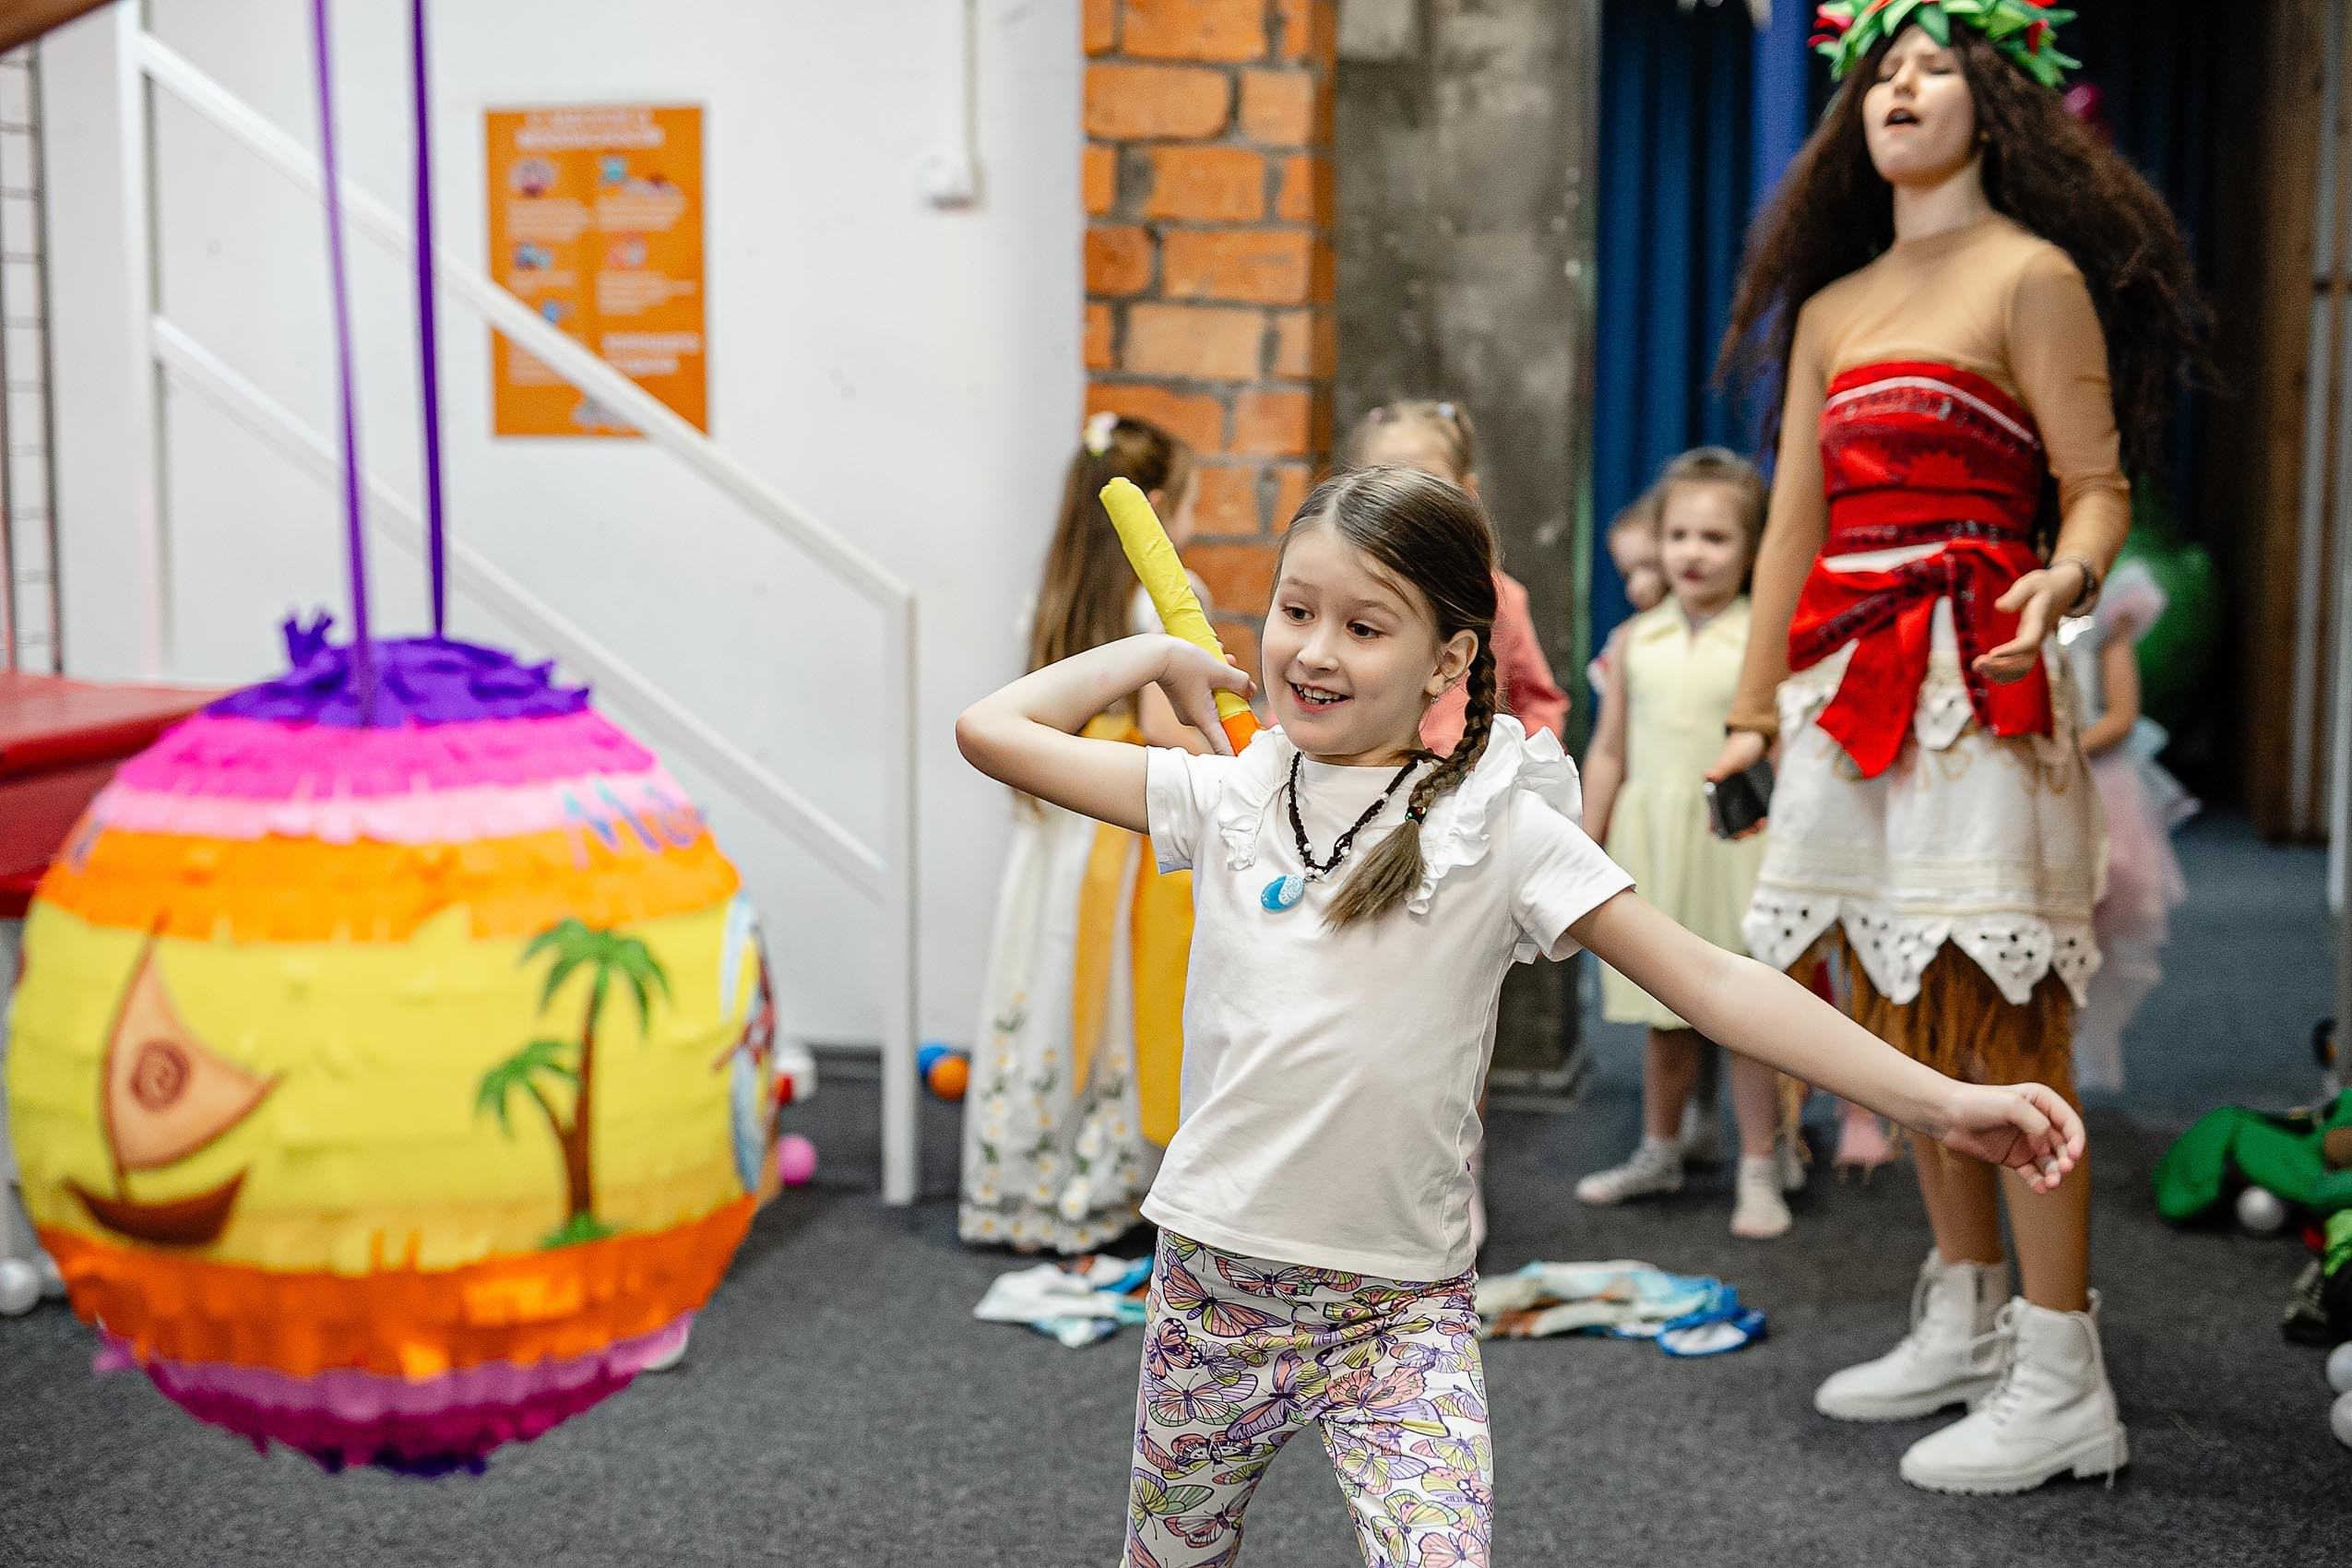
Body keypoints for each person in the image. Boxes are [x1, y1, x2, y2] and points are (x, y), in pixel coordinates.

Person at [956, 464, 2085, 1565]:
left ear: (1451, 655)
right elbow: (991, 729)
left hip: (1401, 1317)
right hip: (1215, 1287)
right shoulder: (1227, 793)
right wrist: (1154, 653)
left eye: (1365, 625)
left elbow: (1714, 980)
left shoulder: (1500, 821)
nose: (1312, 648)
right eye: (1296, 610)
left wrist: (1942, 1099)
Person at [1713, 4, 2206, 1493]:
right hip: (1848, 682)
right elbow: (1791, 518)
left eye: (1934, 64)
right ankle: (1969, 1310)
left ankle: (2064, 1370)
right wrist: (1749, 704)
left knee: (2000, 1016)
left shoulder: (2033, 276)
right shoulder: (1833, 305)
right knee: (1893, 1013)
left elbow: (2098, 485)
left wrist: (2063, 572)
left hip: (1981, 683)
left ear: (1994, 96)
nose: (1900, 87)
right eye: (1881, 67)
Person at [957, 411, 1210, 1253]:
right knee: (1111, 997)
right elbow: (1171, 731)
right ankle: (1108, 1179)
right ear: (1165, 505)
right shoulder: (1160, 601)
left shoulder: (1054, 596)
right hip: (1119, 832)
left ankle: (1026, 1177)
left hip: (1055, 832)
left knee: (1045, 978)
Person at [1574, 448, 1798, 1238]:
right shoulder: (1636, 640)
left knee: (1748, 1018)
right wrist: (1586, 838)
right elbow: (1609, 748)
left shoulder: (1762, 643)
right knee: (1665, 1014)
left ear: (1752, 548)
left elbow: (1785, 753)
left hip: (1738, 847)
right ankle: (1660, 1148)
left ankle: (1760, 1169)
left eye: (1715, 538)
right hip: (1654, 842)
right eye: (1678, 535)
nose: (1693, 554)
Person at [1347, 400, 1568, 754]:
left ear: (1467, 492)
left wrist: (1524, 775)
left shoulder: (1499, 598)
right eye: (1385, 482)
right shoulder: (1338, 590)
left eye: (1427, 484)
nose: (1407, 504)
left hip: (1464, 788)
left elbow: (1538, 703)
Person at [2064, 560, 2195, 1091]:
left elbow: (2120, 715)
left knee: (2090, 929)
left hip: (2093, 783)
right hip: (2016, 779)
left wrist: (2062, 753)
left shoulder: (2104, 611)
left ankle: (2072, 1049)